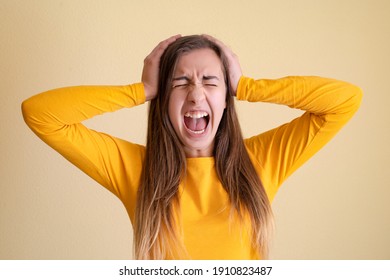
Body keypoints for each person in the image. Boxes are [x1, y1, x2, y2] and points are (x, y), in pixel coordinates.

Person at [22, 34, 362, 260]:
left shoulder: (260, 161)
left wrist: (246, 86)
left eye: (211, 82)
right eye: (180, 82)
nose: (196, 95)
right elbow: (41, 114)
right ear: (163, 99)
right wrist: (140, 90)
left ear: (225, 98)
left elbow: (344, 101)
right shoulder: (137, 170)